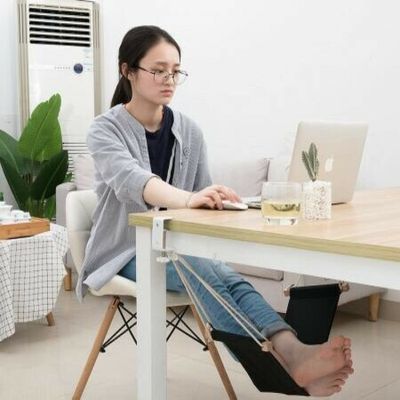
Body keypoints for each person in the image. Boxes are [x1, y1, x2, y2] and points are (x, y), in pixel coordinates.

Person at [77, 25, 353, 396]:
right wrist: (189, 198)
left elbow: (197, 201)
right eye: (158, 70)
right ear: (128, 71)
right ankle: (273, 367)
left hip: (177, 247)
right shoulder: (104, 129)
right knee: (201, 270)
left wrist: (217, 200)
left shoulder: (189, 131)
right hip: (124, 250)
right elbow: (134, 181)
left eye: (176, 71)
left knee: (230, 276)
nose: (169, 79)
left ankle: (293, 351)